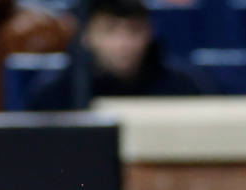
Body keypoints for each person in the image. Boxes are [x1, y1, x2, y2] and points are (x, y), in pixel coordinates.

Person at [28, 0, 215, 111]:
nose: (123, 43)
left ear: (149, 32)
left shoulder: (186, 88)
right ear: (86, 35)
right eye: (109, 31)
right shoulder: (54, 95)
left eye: (134, 30)